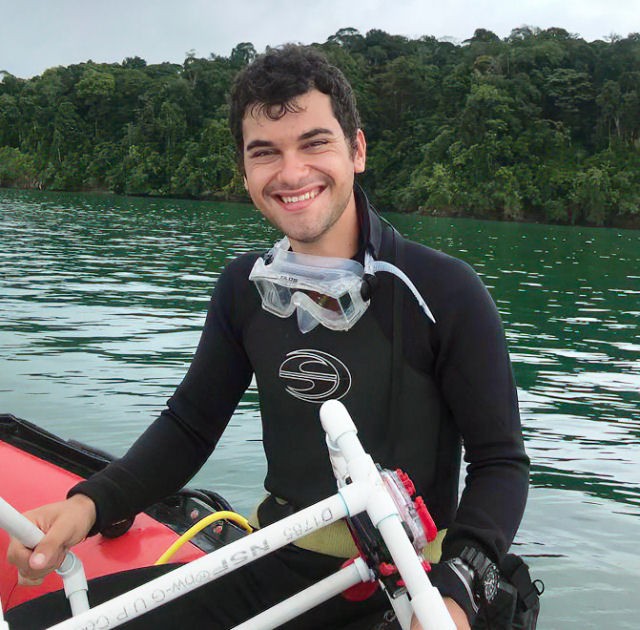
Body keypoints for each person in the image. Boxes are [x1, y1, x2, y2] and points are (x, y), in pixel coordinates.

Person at [7, 45, 530, 629]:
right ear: (246, 172)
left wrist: (455, 594)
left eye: (315, 142)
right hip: (276, 560)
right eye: (266, 153)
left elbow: (501, 462)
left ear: (356, 150)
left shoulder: (444, 292)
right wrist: (88, 504)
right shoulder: (242, 289)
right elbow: (189, 426)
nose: (291, 172)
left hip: (409, 584)